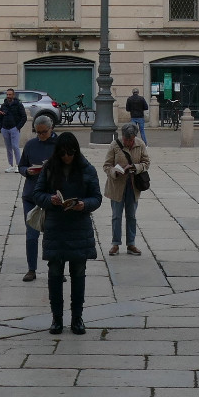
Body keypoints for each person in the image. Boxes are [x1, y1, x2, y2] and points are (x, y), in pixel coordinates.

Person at [27, 132, 101, 334]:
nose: (67, 157)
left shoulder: (87, 169)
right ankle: (57, 318)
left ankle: (77, 318)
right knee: (55, 274)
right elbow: (37, 194)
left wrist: (84, 204)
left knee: (78, 274)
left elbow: (96, 197)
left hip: (79, 228)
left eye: (70, 153)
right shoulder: (50, 168)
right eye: (63, 153)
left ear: (76, 152)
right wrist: (50, 199)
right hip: (56, 228)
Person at [17, 115, 57, 282]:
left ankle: (55, 268)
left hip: (51, 196)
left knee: (53, 235)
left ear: (51, 129)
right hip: (31, 196)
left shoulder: (59, 145)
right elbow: (21, 165)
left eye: (43, 132)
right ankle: (31, 269)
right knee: (32, 234)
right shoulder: (31, 145)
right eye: (37, 132)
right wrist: (27, 171)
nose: (40, 135)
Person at [102, 122, 149, 255]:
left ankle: (131, 244)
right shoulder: (114, 145)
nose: (128, 142)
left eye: (130, 140)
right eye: (126, 139)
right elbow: (106, 166)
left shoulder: (140, 144)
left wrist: (135, 167)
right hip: (117, 186)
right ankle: (115, 244)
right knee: (116, 216)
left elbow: (146, 163)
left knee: (131, 216)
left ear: (134, 137)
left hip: (133, 186)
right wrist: (115, 172)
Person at [0, 89, 27, 173]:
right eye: (7, 94)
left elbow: (24, 117)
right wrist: (0, 127)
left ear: (13, 95)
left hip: (14, 128)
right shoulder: (4, 105)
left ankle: (19, 165)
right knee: (8, 148)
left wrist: (18, 127)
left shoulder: (18, 105)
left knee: (15, 146)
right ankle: (10, 165)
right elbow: (0, 116)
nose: (8, 96)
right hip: (5, 128)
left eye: (10, 94)